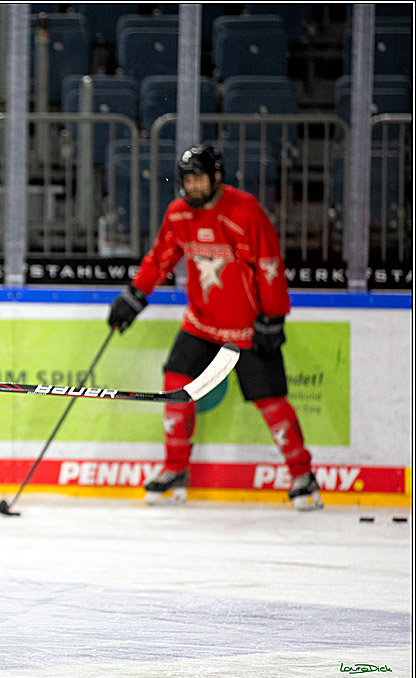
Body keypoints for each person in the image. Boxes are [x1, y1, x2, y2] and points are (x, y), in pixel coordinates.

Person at [107, 144, 323, 512]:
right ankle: (175, 472)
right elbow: (160, 258)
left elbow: (269, 263)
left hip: (247, 331)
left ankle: (303, 477)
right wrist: (134, 296)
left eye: (200, 179)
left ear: (217, 177)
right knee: (175, 388)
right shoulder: (178, 214)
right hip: (201, 325)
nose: (193, 187)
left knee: (271, 402)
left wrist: (273, 317)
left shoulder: (244, 210)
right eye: (187, 180)